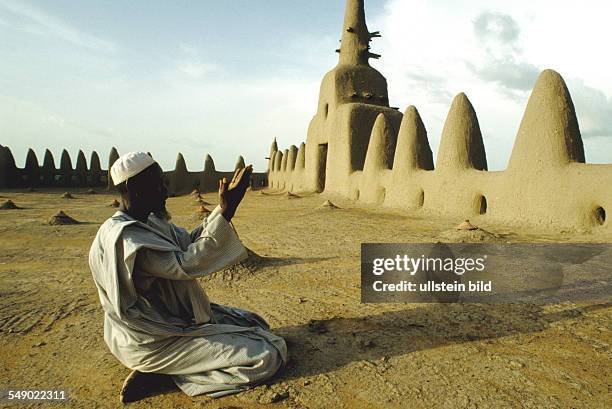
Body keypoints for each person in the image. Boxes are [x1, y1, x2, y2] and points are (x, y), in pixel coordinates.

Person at [88, 152, 287, 403]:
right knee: (267, 356)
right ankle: (165, 373)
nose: (164, 190)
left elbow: (189, 241)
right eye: (158, 184)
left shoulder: (148, 222)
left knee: (257, 323)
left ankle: (180, 364)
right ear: (133, 188)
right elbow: (187, 263)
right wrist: (227, 211)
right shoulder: (127, 239)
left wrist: (223, 210)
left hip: (175, 318)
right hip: (153, 340)